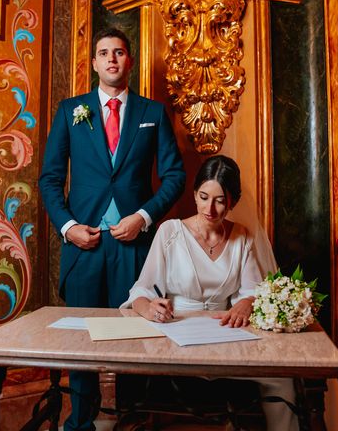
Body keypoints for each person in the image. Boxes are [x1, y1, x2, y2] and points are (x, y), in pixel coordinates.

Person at [39, 27, 186, 431]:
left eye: (119, 53)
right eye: (103, 53)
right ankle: (81, 423)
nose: (111, 60)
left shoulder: (152, 113)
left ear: (129, 61)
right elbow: (50, 179)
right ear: (94, 63)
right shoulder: (71, 110)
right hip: (84, 244)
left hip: (134, 246)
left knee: (138, 338)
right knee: (83, 340)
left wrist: (143, 217)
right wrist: (67, 227)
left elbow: (174, 176)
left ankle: (134, 422)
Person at [120, 155, 299, 431]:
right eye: (204, 197)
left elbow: (252, 292)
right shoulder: (170, 232)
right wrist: (148, 307)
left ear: (233, 202)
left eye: (220, 200)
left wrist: (246, 304)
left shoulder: (243, 236)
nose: (210, 208)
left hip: (225, 334)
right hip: (175, 334)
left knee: (280, 377)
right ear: (194, 194)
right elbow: (142, 290)